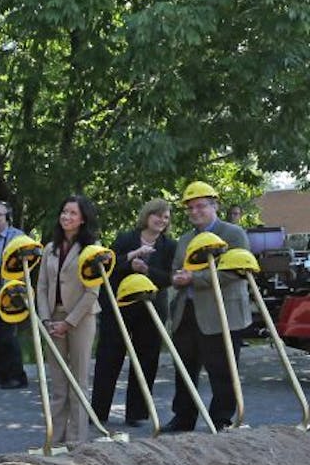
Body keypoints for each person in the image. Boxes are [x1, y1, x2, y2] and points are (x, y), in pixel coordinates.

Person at [166, 181, 252, 432]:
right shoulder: (184, 239)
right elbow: (175, 270)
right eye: (190, 207)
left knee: (222, 370)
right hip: (187, 312)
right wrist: (177, 278)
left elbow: (237, 271)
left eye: (200, 206)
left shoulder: (234, 234)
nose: (195, 211)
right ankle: (183, 418)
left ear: (214, 205)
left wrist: (195, 278)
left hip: (222, 313)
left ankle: (221, 420)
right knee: (185, 369)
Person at [90, 198, 176, 427]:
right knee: (109, 357)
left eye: (166, 217)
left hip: (151, 308)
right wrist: (131, 260)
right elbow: (107, 266)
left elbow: (170, 278)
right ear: (147, 216)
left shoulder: (170, 246)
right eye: (158, 215)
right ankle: (98, 411)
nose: (161, 220)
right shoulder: (126, 238)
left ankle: (136, 413)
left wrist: (147, 270)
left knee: (147, 359)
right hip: (118, 306)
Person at [35, 195, 102, 445]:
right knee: (59, 383)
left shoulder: (92, 249)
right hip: (53, 318)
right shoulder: (49, 248)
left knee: (79, 380)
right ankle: (55, 439)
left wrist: (69, 322)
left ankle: (76, 440)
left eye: (73, 213)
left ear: (83, 218)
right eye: (64, 212)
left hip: (81, 319)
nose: (67, 217)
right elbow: (41, 286)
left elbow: (92, 292)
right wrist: (45, 319)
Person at [0, 202, 29, 388]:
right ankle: (0, 373)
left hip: (9, 293)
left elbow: (27, 262)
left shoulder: (17, 237)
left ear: (7, 218)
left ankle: (17, 376)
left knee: (7, 336)